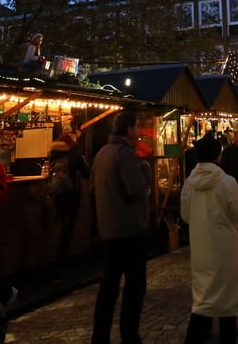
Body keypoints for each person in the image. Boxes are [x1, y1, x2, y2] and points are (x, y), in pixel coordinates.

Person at [180, 133, 238, 343]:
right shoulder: (227, 182)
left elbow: (185, 215)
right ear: (217, 155)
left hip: (202, 247)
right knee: (227, 302)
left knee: (203, 300)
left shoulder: (189, 184)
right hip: (226, 248)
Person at [91, 111, 152, 344]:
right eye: (137, 127)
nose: (139, 132)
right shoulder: (125, 154)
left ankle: (100, 336)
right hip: (129, 230)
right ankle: (129, 334)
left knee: (108, 287)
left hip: (109, 231)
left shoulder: (102, 154)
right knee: (134, 287)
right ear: (128, 130)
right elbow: (135, 188)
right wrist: (145, 170)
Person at [47, 136, 90, 270]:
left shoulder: (52, 155)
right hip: (72, 196)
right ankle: (62, 260)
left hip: (58, 196)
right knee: (67, 229)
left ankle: (57, 258)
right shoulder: (73, 155)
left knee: (60, 228)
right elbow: (86, 174)